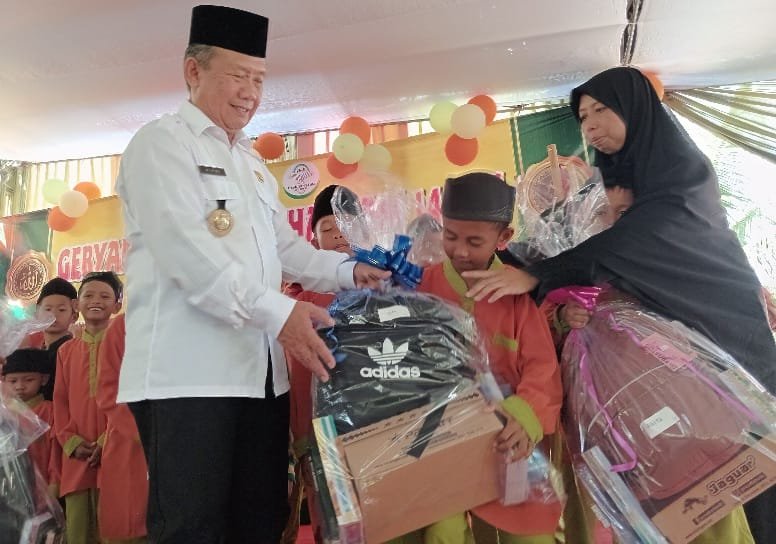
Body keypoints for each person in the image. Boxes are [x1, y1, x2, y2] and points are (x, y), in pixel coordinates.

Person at [463, 66, 774, 542]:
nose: (589, 125)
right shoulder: (623, 179)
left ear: (635, 108)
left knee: (755, 457)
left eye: (601, 110)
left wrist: (536, 274)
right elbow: (590, 246)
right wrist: (521, 267)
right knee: (709, 475)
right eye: (582, 116)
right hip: (681, 354)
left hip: (728, 333)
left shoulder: (682, 175)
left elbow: (635, 240)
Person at [114, 7, 389, 544]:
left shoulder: (253, 164)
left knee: (261, 524)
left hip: (262, 379)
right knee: (193, 529)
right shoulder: (161, 144)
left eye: (259, 79)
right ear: (193, 71)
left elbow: (287, 250)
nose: (250, 93)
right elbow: (187, 257)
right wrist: (281, 315)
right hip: (188, 379)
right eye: (237, 76)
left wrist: (354, 271)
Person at [417, 172, 563, 544]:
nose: (460, 251)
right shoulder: (423, 285)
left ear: (504, 238)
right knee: (442, 533)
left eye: (474, 241)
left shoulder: (516, 294)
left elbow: (542, 367)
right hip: (440, 441)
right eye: (451, 236)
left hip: (505, 438)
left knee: (529, 535)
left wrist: (525, 415)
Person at [53, 271, 122, 544]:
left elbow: (129, 400)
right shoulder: (65, 351)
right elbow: (60, 401)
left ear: (117, 305)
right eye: (89, 295)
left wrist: (108, 440)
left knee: (115, 528)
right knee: (78, 531)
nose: (96, 301)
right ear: (76, 304)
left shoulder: (126, 347)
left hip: (116, 450)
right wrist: (69, 441)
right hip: (76, 455)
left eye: (105, 296)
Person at [96, 313, 148, 544]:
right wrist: (146, 432)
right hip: (130, 444)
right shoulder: (123, 326)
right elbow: (108, 391)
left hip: (186, 440)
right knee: (131, 525)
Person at [2, 348, 61, 498]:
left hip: (42, 485)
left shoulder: (51, 411)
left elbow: (55, 454)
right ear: (3, 380)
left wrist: (54, 485)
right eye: (13, 381)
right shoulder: (4, 413)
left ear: (44, 379)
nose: (20, 386)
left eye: (29, 380)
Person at [30, 277, 79, 400]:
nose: (53, 315)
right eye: (48, 309)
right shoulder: (34, 352)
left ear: (74, 316)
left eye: (61, 310)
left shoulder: (75, 352)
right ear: (37, 314)